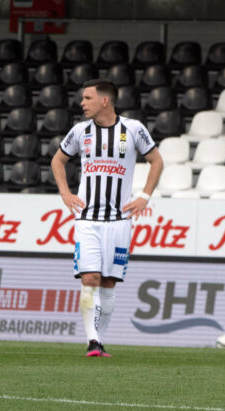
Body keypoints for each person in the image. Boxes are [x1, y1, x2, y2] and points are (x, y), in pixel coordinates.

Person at [51, 78, 163, 357]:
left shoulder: (133, 129)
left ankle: (99, 339)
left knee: (108, 282)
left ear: (105, 101)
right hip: (87, 218)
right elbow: (57, 160)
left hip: (119, 220)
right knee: (90, 277)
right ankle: (92, 342)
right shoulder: (79, 132)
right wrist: (65, 193)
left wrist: (144, 196)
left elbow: (157, 161)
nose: (82, 103)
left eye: (87, 98)